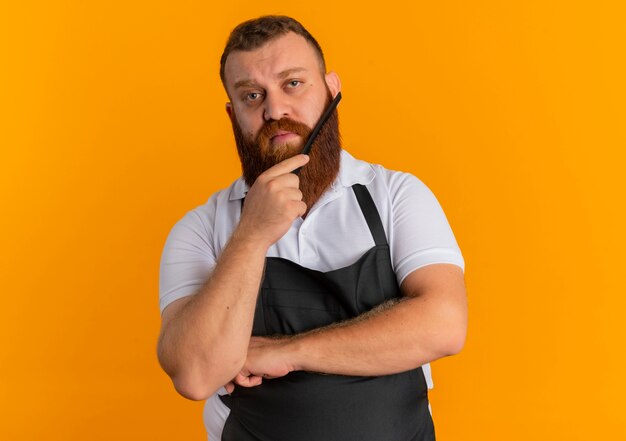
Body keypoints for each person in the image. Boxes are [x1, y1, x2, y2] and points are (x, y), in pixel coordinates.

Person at [157, 15, 467, 441]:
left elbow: (445, 324)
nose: (275, 110)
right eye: (252, 95)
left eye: (293, 84)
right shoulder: (201, 228)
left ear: (331, 89)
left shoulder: (396, 195)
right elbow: (193, 374)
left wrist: (287, 352)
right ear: (233, 114)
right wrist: (251, 235)